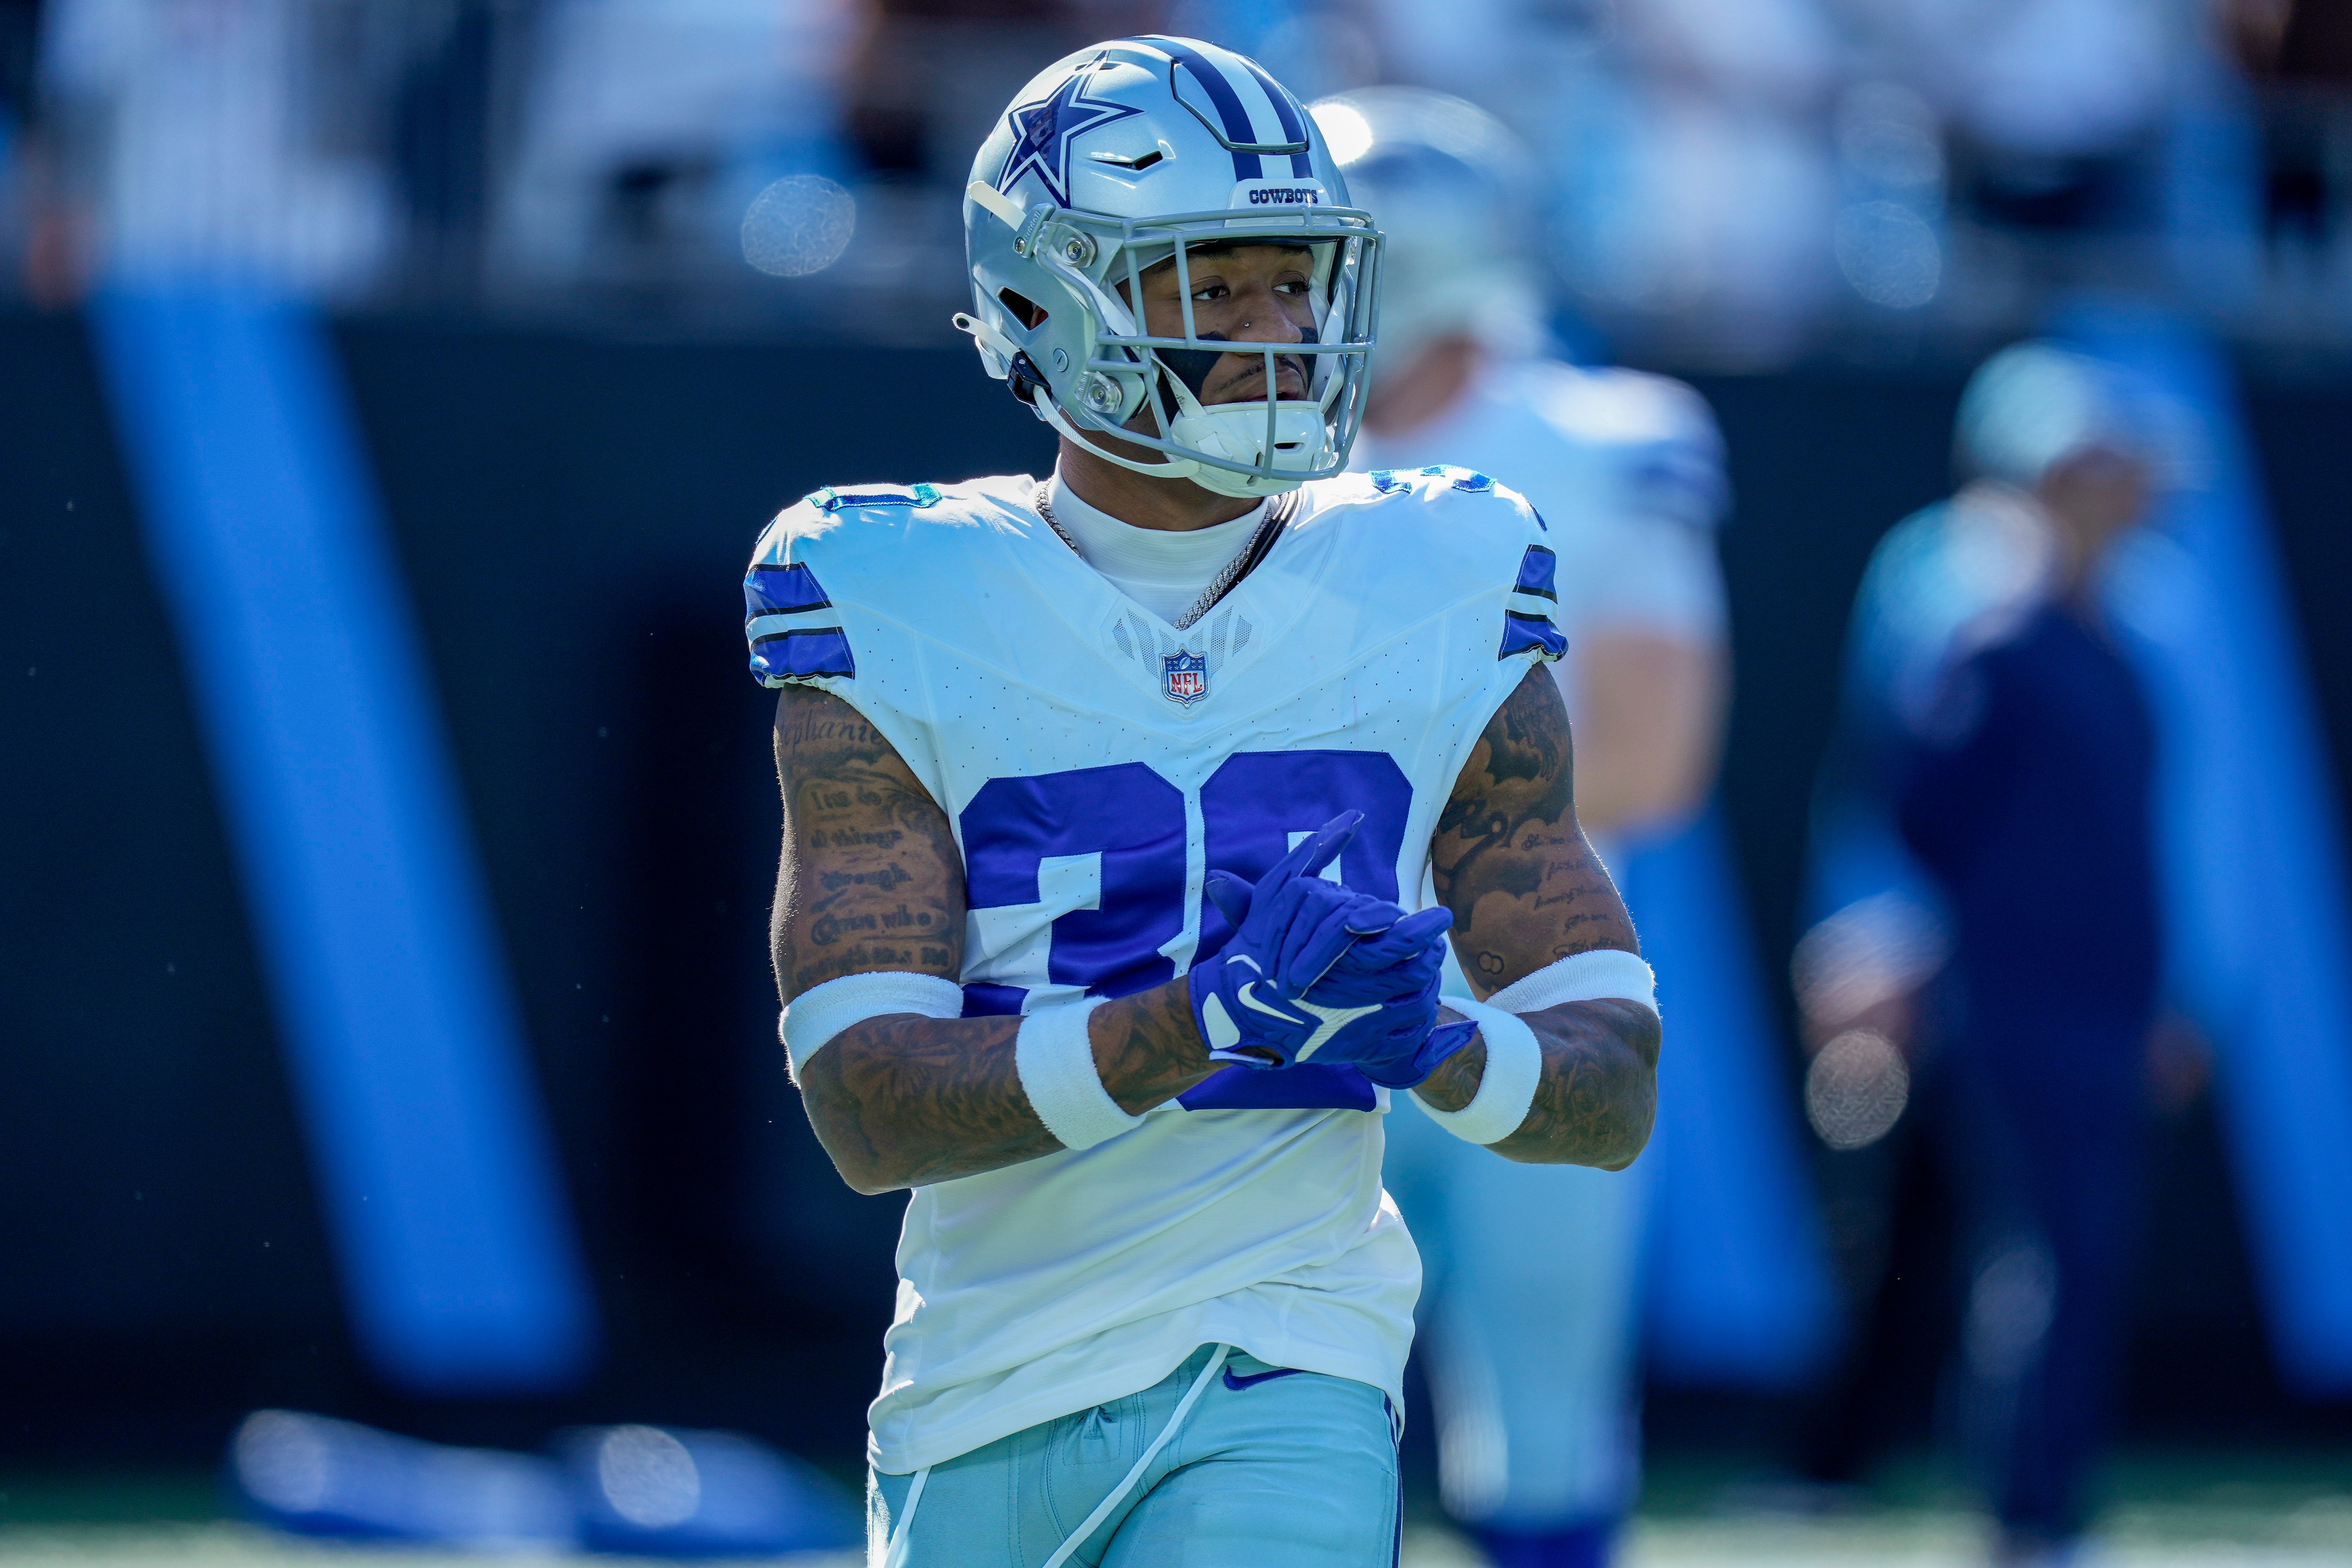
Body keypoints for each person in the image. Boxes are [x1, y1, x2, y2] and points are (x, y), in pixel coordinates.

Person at [741, 37, 1664, 1568]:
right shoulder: (895, 590)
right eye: (1212, 286)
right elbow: (867, 1104)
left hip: (1291, 1351)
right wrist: (1204, 1022)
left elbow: (1611, 1079)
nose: (1279, 333)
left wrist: (1439, 1045)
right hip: (980, 1386)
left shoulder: (1440, 570)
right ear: (1051, 299)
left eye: (1297, 282)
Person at [1317, 87, 1731, 1568]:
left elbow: (1655, 755)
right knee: (1260, 1414)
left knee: (1542, 1421)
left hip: (1520, 971)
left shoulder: (1605, 440)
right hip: (1282, 977)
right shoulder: (1237, 450)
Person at [1797, 342, 2165, 1566]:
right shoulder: (1979, 624)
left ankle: (2023, 1499)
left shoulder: (2118, 631)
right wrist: (1883, 947)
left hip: (2084, 1002)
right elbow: (1905, 805)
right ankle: (1999, 1504)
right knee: (1985, 1245)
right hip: (1992, 1002)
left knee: (2043, 1246)